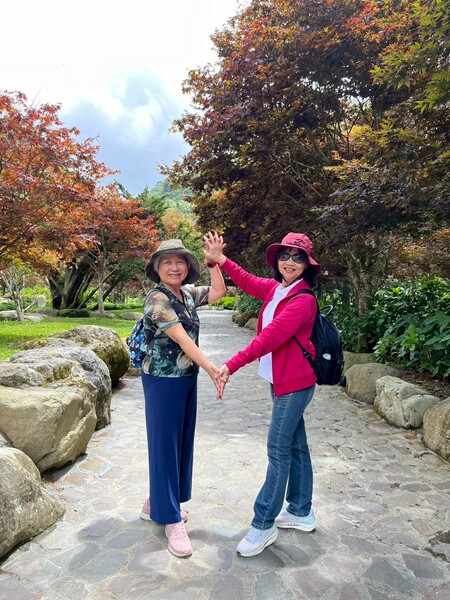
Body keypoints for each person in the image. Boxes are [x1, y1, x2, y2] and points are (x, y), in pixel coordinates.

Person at [205, 231, 320, 558]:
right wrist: (219, 259)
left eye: (298, 257)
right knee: (296, 445)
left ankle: (264, 522)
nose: (289, 262)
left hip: (295, 384)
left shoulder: (303, 300)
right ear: (277, 259)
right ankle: (301, 511)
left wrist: (231, 364)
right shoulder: (275, 289)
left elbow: (269, 338)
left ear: (307, 264)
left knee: (278, 449)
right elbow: (245, 280)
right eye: (285, 255)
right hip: (281, 380)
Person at [139, 238, 226, 558]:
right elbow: (181, 339)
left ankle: (157, 503)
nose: (174, 267)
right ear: (157, 268)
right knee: (165, 446)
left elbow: (219, 292)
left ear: (188, 267)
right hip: (162, 381)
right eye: (167, 262)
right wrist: (212, 367)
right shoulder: (156, 299)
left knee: (179, 445)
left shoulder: (187, 294)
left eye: (180, 262)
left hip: (186, 378)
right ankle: (170, 519)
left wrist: (214, 262)